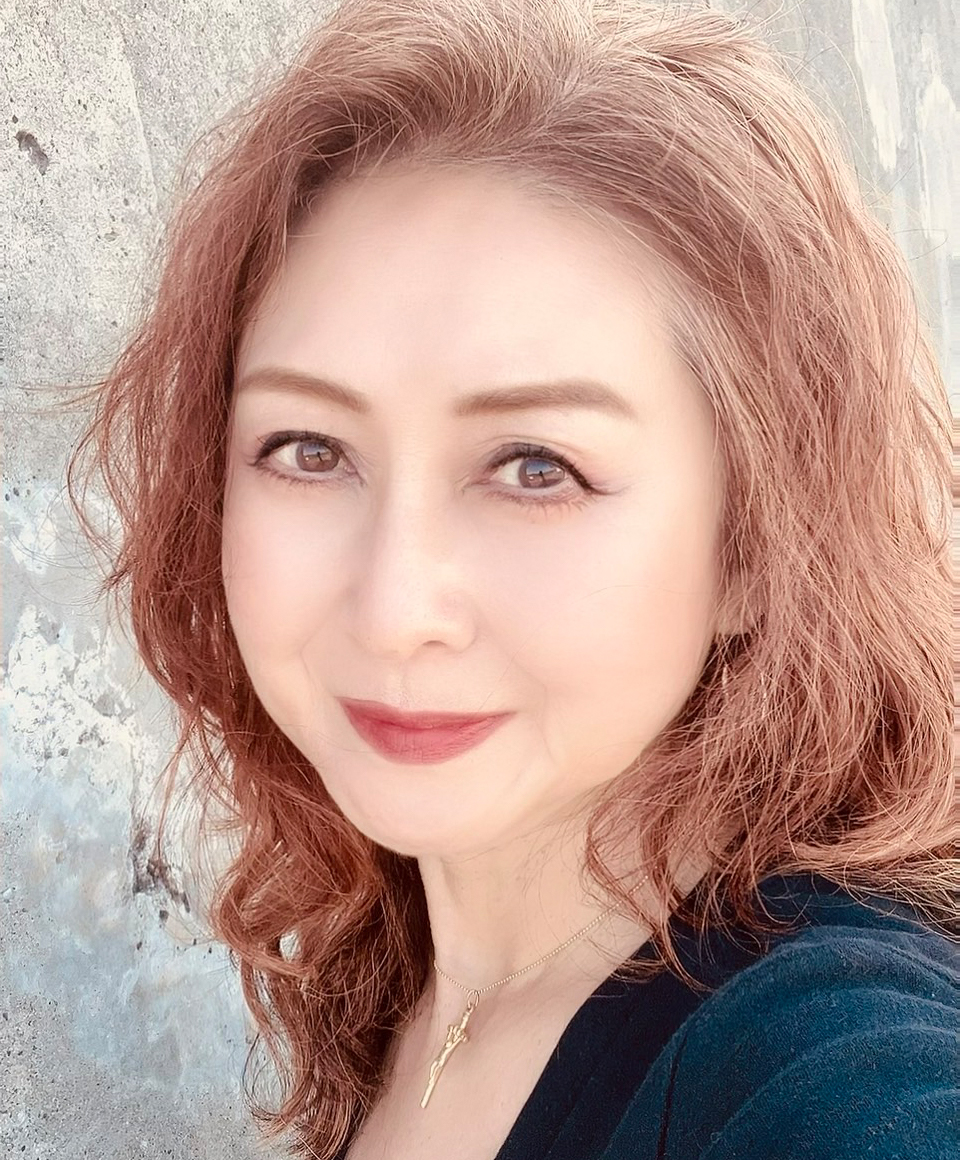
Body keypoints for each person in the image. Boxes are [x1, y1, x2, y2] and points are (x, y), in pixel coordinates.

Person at [69, 1, 959, 1158]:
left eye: (537, 468)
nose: (395, 609)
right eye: (309, 449)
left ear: (755, 543)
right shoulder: (401, 977)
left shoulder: (824, 1060)